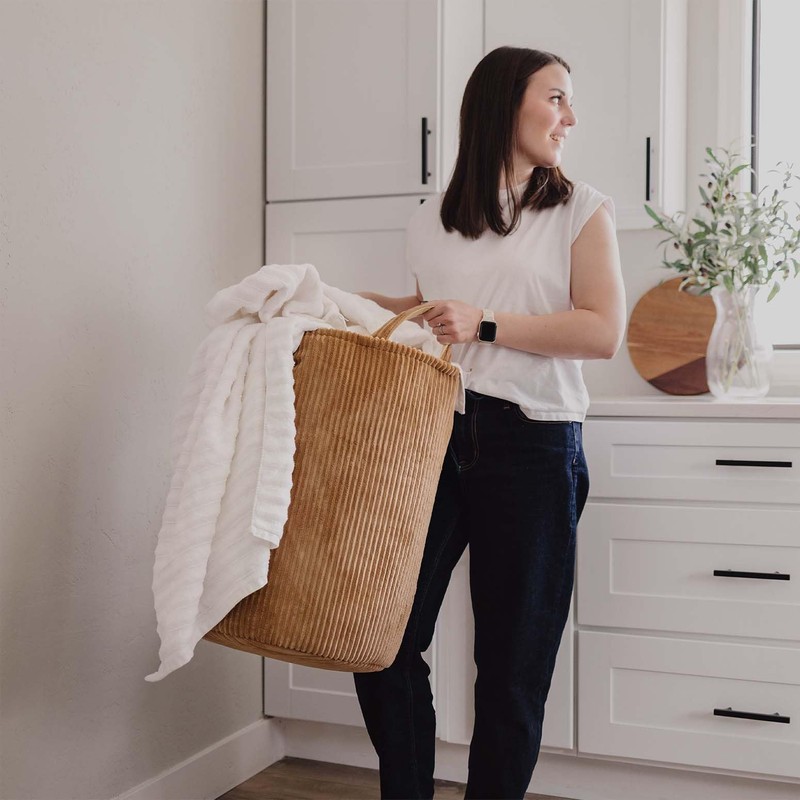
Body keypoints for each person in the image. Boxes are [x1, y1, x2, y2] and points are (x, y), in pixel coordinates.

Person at [354, 46, 626, 800]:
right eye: (555, 98)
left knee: (511, 670)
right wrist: (336, 301)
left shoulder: (580, 210)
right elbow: (430, 317)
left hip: (534, 443)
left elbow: (602, 331)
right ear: (505, 103)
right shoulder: (432, 219)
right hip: (433, 438)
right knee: (380, 638)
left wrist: (489, 324)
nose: (570, 117)